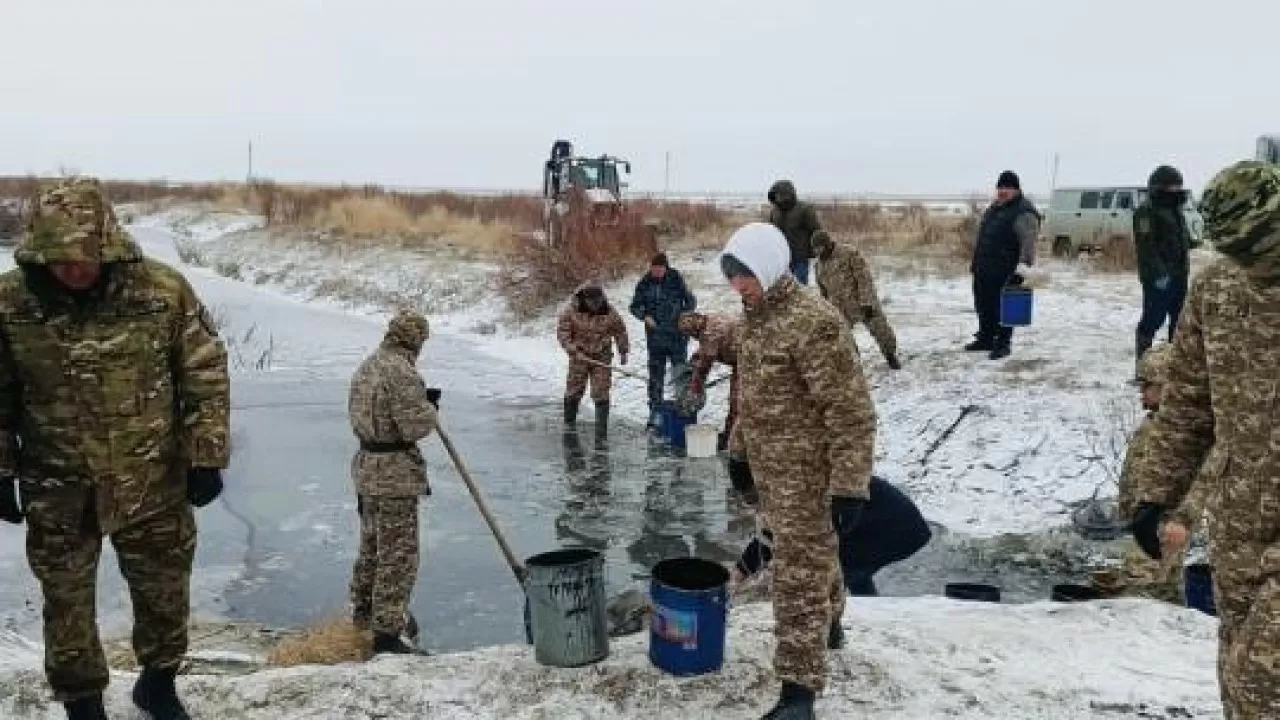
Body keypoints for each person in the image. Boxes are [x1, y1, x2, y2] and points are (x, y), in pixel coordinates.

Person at [0, 178, 230, 720]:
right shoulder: (11, 302)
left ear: (107, 241)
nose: (72, 270)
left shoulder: (161, 291)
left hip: (153, 479)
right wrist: (0, 468)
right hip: (57, 485)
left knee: (164, 591)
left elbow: (204, 372)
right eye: (58, 260)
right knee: (67, 602)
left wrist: (206, 453)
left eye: (83, 258)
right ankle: (83, 704)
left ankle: (158, 683)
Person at [1129, 160, 1280, 719]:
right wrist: (1155, 495)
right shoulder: (1217, 291)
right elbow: (1189, 408)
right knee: (1238, 679)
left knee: (1265, 682)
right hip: (1241, 521)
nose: (1251, 258)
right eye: (1237, 247)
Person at [720, 222, 876, 720]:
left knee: (796, 578)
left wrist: (850, 484)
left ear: (767, 266)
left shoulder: (815, 322)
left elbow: (850, 410)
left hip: (810, 478)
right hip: (773, 475)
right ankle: (830, 627)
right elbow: (754, 399)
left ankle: (798, 694)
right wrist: (739, 453)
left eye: (744, 275)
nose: (738, 286)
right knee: (815, 558)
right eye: (731, 276)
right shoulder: (754, 319)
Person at [348, 309, 439, 655]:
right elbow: (414, 427)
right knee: (398, 554)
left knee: (371, 547)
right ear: (415, 340)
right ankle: (386, 633)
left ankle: (363, 614)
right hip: (394, 476)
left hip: (367, 468)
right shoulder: (402, 372)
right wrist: (430, 408)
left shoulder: (368, 366)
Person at [732, 469, 931, 597]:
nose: (752, 505)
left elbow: (777, 536)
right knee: (848, 563)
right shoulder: (791, 482)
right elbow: (771, 537)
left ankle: (835, 628)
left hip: (895, 525)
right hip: (893, 523)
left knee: (831, 572)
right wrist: (741, 570)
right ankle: (866, 606)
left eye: (751, 498)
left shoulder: (795, 492)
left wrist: (742, 573)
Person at [1103, 343, 1183, 603]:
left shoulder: (1177, 430)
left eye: (1147, 387)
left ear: (1167, 387)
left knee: (1146, 594)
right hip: (1139, 525)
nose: (1141, 395)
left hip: (1157, 530)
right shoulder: (1154, 423)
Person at [967, 170, 1039, 360]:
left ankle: (1003, 344)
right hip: (985, 268)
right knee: (984, 305)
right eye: (1000, 187)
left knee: (1004, 309)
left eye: (1007, 187)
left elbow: (1028, 244)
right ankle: (986, 338)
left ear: (1016, 189)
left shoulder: (1024, 212)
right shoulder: (995, 208)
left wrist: (1022, 270)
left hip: (1006, 270)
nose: (1002, 191)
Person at [811, 230, 901, 369]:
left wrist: (867, 302)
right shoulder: (818, 266)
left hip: (860, 301)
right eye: (814, 249)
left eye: (819, 248)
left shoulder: (848, 253)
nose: (817, 252)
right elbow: (823, 290)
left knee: (881, 330)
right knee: (843, 339)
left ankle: (890, 356)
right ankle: (855, 364)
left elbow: (863, 278)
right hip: (839, 307)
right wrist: (826, 310)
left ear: (827, 244)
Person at [1133, 165, 1192, 376]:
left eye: (1178, 185)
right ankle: (1143, 369)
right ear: (1160, 186)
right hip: (1157, 278)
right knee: (1151, 321)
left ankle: (1174, 368)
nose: (1176, 189)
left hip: (1179, 275)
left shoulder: (1176, 209)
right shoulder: (1145, 211)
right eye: (1172, 186)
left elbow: (1180, 238)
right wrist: (1159, 274)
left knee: (1180, 323)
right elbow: (1146, 246)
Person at [628, 253, 696, 425]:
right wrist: (644, 316)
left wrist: (684, 316)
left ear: (666, 268)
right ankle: (655, 413)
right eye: (654, 269)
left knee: (680, 374)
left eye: (660, 269)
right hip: (655, 338)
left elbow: (690, 301)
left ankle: (683, 410)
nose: (656, 272)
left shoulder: (675, 278)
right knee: (655, 376)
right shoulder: (645, 283)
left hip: (677, 338)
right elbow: (634, 306)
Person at [557, 283, 629, 430]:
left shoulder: (609, 311)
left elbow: (620, 331)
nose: (596, 306)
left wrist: (623, 351)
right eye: (592, 302)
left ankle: (601, 428)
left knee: (601, 391)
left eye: (598, 301)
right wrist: (572, 349)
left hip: (602, 356)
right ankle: (569, 424)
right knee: (574, 390)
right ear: (585, 300)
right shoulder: (571, 311)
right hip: (579, 355)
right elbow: (563, 333)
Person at [676, 311, 741, 446]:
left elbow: (706, 364)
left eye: (691, 333)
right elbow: (706, 349)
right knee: (736, 401)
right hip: (740, 357)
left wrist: (696, 387)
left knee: (737, 402)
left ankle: (732, 439)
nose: (693, 336)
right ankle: (731, 435)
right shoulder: (711, 319)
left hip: (747, 361)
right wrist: (694, 359)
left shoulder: (708, 334)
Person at [767, 180, 822, 284]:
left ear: (788, 195)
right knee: (782, 287)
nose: (778, 198)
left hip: (800, 257)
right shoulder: (774, 212)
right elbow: (771, 233)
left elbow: (816, 231)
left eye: (780, 195)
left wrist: (818, 250)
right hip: (781, 258)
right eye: (776, 195)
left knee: (801, 286)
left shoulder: (804, 209)